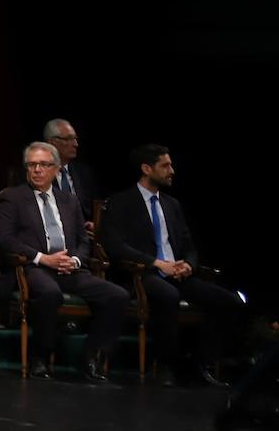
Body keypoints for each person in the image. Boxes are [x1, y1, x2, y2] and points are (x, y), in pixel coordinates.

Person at [99, 144, 242, 387]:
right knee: (167, 294)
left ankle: (198, 364)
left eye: (171, 165)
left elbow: (188, 244)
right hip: (142, 273)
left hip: (177, 272)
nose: (171, 171)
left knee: (229, 302)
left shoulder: (172, 204)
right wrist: (156, 263)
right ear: (146, 169)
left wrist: (189, 264)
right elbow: (115, 245)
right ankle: (167, 365)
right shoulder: (120, 202)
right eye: (165, 166)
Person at [0, 142, 126, 382]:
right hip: (33, 267)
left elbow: (84, 241)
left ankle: (92, 357)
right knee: (49, 293)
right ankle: (40, 358)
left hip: (69, 268)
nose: (37, 170)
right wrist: (44, 259)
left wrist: (74, 260)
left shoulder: (69, 200)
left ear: (56, 169)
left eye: (44, 165)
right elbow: (5, 240)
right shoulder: (12, 197)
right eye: (32, 165)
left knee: (116, 295)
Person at [45, 118, 96, 227]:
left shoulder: (84, 173)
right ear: (52, 142)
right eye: (69, 139)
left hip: (85, 234)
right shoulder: (37, 173)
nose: (75, 144)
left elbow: (96, 206)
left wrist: (94, 222)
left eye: (75, 139)